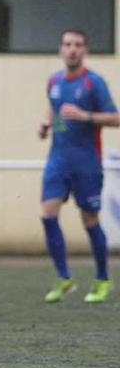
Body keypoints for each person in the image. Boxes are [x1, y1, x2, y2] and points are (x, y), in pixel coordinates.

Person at [37, 29, 119, 304]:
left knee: (90, 220)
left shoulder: (94, 83)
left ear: (85, 50)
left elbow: (115, 117)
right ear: (61, 49)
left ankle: (103, 280)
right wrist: (47, 124)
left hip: (86, 162)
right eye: (68, 44)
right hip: (58, 159)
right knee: (48, 215)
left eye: (78, 45)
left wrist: (85, 115)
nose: (72, 49)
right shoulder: (54, 81)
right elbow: (54, 106)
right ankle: (64, 278)